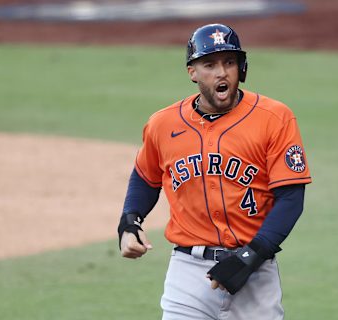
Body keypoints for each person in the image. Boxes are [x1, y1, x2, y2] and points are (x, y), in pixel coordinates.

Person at [117, 23, 312, 320]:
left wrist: (250, 258)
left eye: (229, 62)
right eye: (209, 64)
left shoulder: (274, 118)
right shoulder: (163, 124)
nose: (221, 73)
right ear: (192, 72)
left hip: (256, 272)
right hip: (188, 273)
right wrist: (130, 221)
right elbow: (145, 177)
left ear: (241, 68)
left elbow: (291, 197)